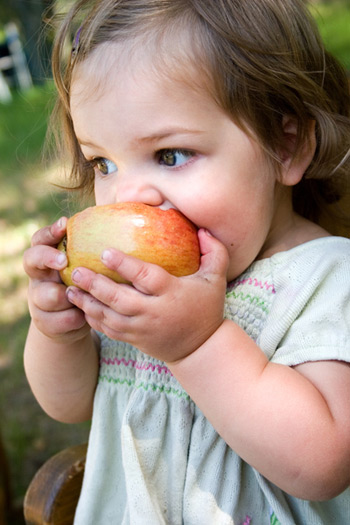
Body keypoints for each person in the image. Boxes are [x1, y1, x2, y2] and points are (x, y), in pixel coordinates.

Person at [23, 0, 350, 523]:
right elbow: (69, 405)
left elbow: (323, 463)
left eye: (170, 155)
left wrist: (198, 345)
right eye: (102, 162)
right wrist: (59, 332)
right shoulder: (138, 286)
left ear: (286, 145)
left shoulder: (326, 281)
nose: (127, 197)